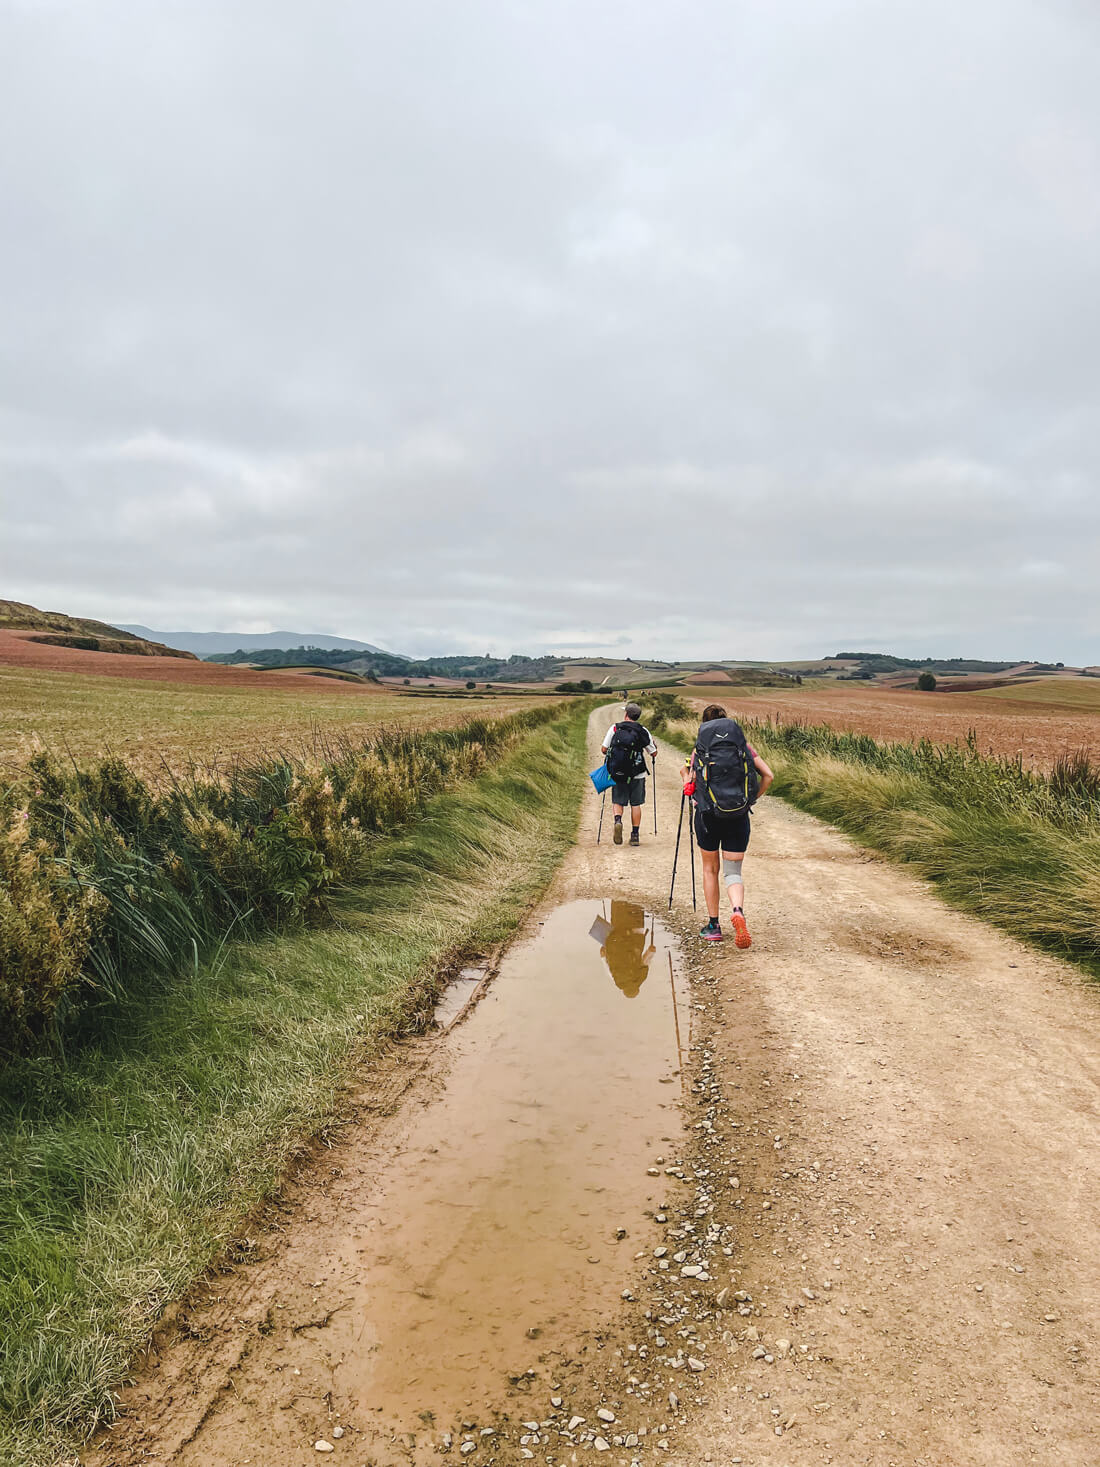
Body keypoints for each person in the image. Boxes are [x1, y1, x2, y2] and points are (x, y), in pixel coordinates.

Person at [682, 703, 773, 946]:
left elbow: (690, 784)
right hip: (738, 815)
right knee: (733, 872)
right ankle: (737, 911)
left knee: (710, 870)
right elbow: (769, 776)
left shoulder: (699, 751)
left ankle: (713, 926)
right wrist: (750, 799)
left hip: (707, 816)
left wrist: (685, 775)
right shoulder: (743, 748)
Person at [601, 702, 657, 845]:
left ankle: (618, 821)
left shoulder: (615, 728)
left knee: (618, 801)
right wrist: (653, 745)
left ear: (626, 714)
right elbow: (653, 753)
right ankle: (635, 835)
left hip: (618, 772)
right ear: (637, 716)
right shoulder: (643, 730)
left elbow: (603, 749)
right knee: (636, 804)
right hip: (637, 773)